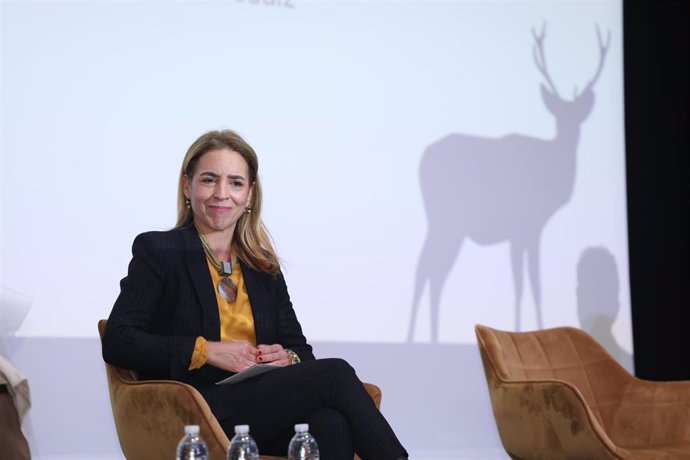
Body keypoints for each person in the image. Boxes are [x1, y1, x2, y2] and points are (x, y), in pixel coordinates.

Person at [102, 129, 408, 460]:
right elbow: (119, 340)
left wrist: (286, 358)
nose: (222, 193)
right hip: (195, 411)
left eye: (235, 182)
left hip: (259, 409)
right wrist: (206, 351)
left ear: (249, 195)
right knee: (335, 374)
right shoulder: (160, 251)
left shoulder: (262, 267)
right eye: (209, 180)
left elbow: (301, 351)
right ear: (187, 186)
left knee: (330, 424)